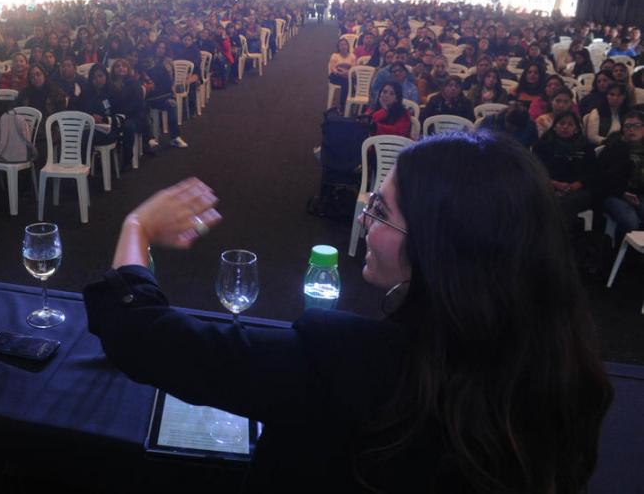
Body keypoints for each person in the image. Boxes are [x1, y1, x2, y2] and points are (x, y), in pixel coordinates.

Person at [83, 134, 612, 492]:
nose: (364, 215)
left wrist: (137, 227)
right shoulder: (563, 369)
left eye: (381, 210)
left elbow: (142, 335)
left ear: (436, 248)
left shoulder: (355, 367)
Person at [533, 111, 597, 227]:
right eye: (561, 123)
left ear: (576, 129)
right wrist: (554, 184)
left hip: (578, 189)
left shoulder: (586, 146)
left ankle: (559, 238)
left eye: (570, 124)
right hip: (548, 186)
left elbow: (592, 172)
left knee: (565, 204)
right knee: (550, 201)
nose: (565, 127)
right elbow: (536, 170)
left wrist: (576, 185)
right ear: (554, 127)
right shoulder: (543, 145)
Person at [596, 110, 644, 241]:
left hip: (639, 193)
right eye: (628, 126)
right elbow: (601, 179)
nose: (632, 130)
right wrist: (622, 193)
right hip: (613, 194)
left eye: (637, 125)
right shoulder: (614, 147)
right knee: (630, 222)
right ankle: (621, 255)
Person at [328, 38, 356, 109]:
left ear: (348, 46)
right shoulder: (334, 56)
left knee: (347, 82)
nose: (343, 46)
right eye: (341, 45)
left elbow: (353, 69)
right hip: (336, 75)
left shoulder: (352, 56)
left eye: (345, 44)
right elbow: (333, 68)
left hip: (348, 76)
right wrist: (340, 73)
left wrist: (347, 73)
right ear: (338, 47)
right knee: (347, 83)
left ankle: (344, 105)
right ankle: (344, 105)